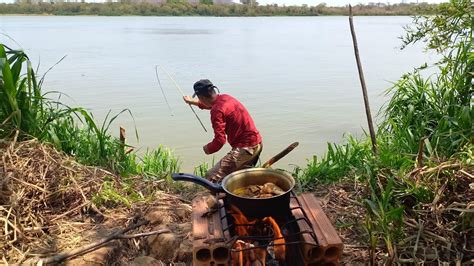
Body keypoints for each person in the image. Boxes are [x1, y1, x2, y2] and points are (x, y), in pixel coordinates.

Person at [183, 79, 262, 183]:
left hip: (246, 149)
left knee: (210, 178)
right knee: (238, 179)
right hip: (257, 143)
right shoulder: (225, 98)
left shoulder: (217, 111)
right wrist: (193, 102)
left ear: (201, 97)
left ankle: (214, 198)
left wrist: (207, 148)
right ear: (213, 90)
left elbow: (220, 141)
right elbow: (212, 105)